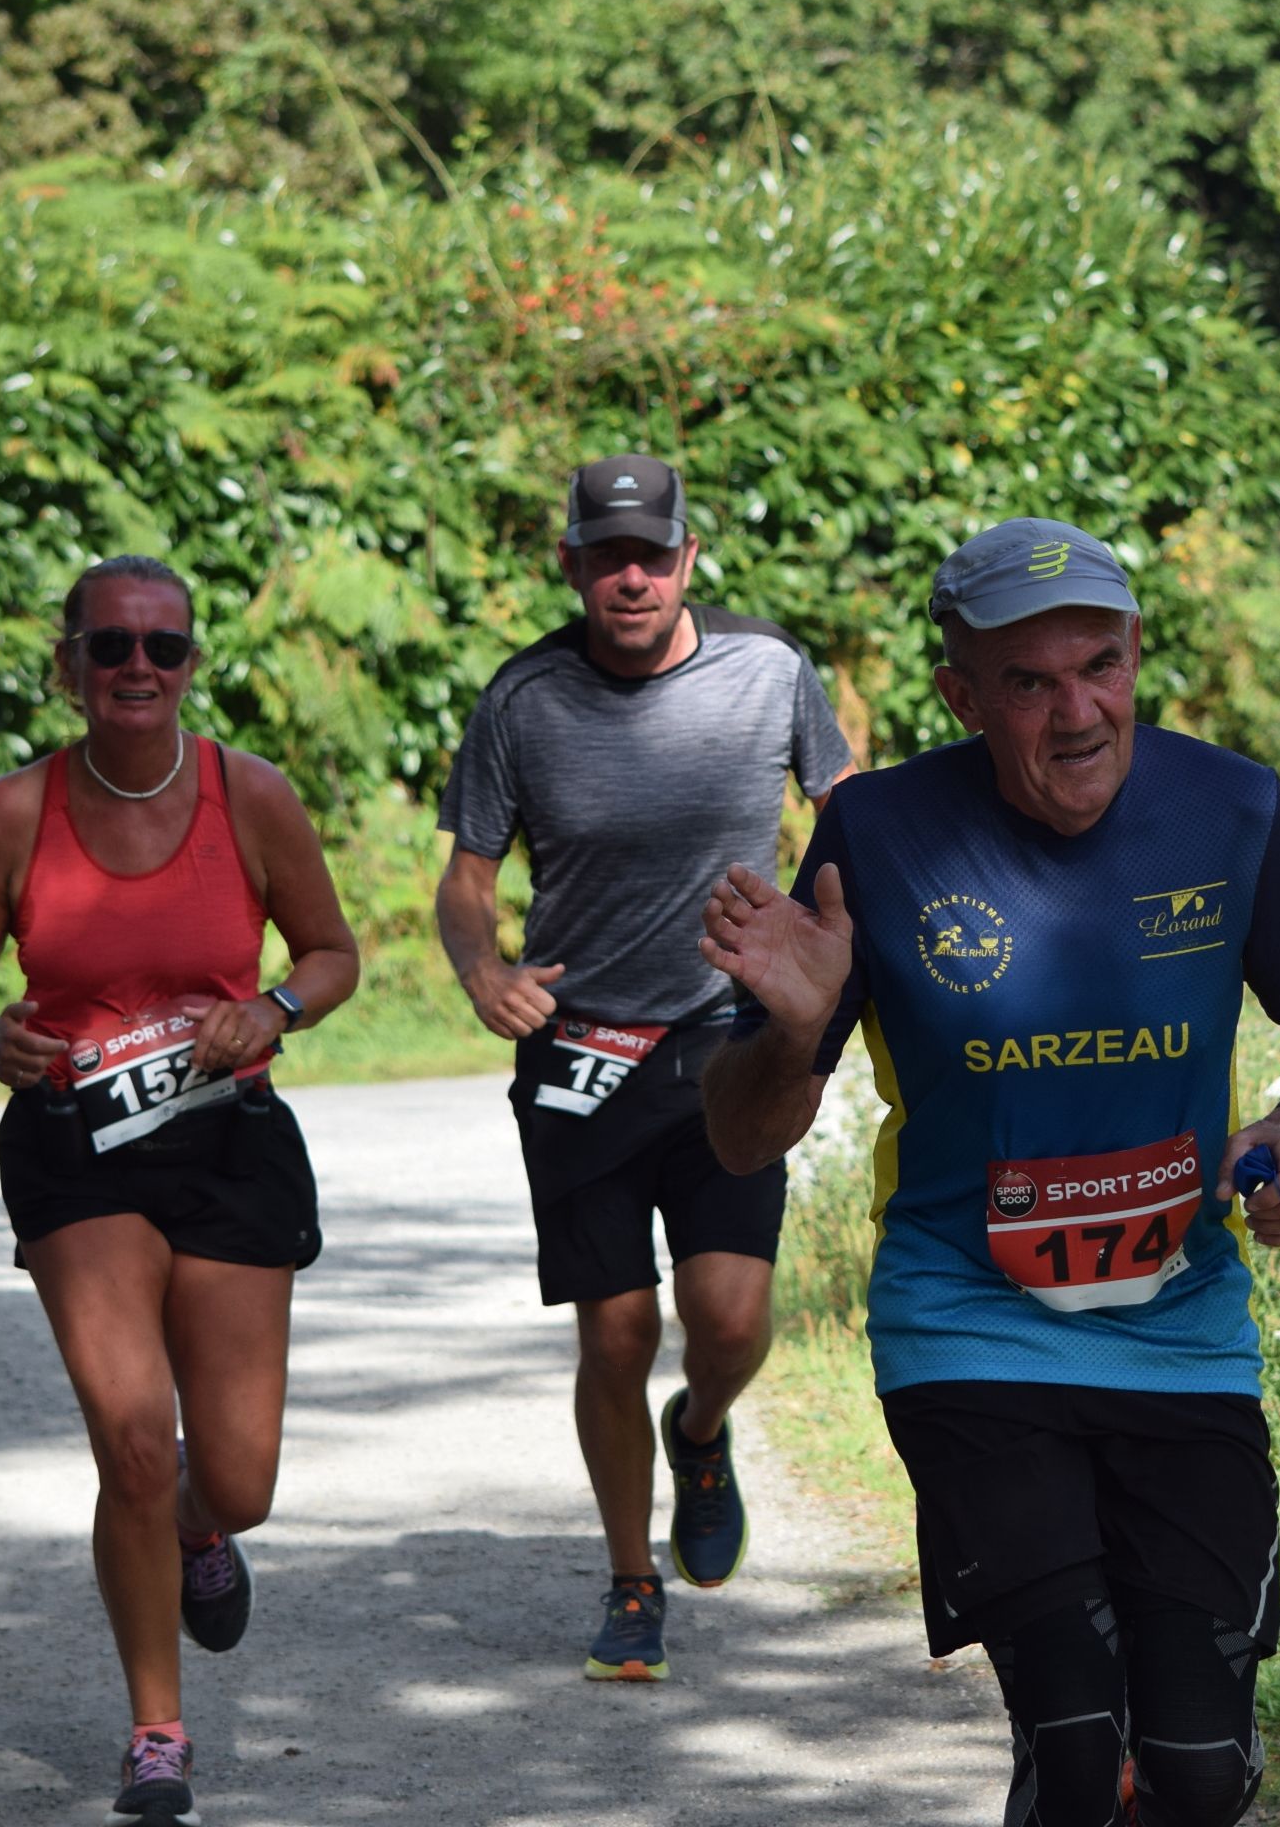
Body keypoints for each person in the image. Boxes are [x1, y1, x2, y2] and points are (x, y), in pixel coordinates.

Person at [698, 517, 1280, 1827]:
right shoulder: (875, 833)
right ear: (961, 695)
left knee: (1196, 1772)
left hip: (1182, 1337)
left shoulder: (1233, 808)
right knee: (1074, 1745)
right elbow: (739, 1138)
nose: (1077, 714)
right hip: (970, 1328)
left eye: (1100, 667)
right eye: (1028, 682)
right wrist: (791, 1033)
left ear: (1136, 655)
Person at [0, 554, 358, 1827]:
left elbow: (331, 953)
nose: (136, 667)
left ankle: (200, 1527)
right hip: (77, 1146)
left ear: (189, 664)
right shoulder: (15, 812)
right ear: (68, 662)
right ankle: (156, 1730)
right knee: (130, 1438)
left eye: (161, 646)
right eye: (109, 644)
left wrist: (271, 1008)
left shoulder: (249, 793)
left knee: (238, 1478)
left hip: (228, 1141)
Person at [433, 453, 854, 1682]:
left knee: (729, 1318)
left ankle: (701, 1428)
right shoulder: (523, 698)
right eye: (608, 556)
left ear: (687, 557)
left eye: (653, 554)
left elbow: (851, 813)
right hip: (579, 1048)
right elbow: (467, 877)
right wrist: (482, 970)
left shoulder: (767, 668)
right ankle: (630, 1580)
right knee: (614, 1333)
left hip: (729, 1040)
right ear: (570, 563)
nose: (633, 577)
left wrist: (837, 951)